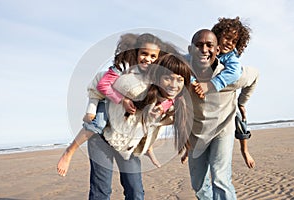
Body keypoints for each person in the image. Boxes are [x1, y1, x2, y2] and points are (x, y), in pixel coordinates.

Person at [57, 33, 166, 177]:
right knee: (97, 124)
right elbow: (102, 86)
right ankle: (69, 151)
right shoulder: (122, 67)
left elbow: (172, 91)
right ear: (136, 52)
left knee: (149, 123)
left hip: (127, 120)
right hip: (108, 101)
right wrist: (122, 100)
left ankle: (148, 149)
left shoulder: (153, 74)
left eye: (153, 56)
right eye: (144, 54)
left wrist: (163, 106)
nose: (148, 59)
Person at [88, 53, 193, 200]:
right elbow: (100, 80)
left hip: (129, 146)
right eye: (168, 78)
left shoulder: (176, 105)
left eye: (179, 80)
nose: (173, 85)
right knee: (101, 192)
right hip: (103, 138)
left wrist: (186, 147)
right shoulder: (137, 88)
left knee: (136, 192)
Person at [187, 29, 259, 199]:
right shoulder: (184, 68)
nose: (204, 50)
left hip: (222, 129)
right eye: (199, 45)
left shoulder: (232, 74)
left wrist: (241, 102)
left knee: (220, 178)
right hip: (196, 132)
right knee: (198, 184)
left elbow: (255, 75)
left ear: (217, 49)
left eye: (209, 46)